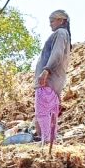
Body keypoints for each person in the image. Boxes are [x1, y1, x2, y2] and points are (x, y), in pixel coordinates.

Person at [33, 10, 71, 140]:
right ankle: (51, 142)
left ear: (61, 21)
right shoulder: (64, 34)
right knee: (50, 114)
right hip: (53, 82)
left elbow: (57, 53)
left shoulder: (60, 33)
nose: (50, 25)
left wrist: (46, 70)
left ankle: (47, 141)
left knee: (42, 113)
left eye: (52, 21)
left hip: (47, 81)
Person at [34, 74, 61, 147]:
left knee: (42, 114)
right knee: (52, 114)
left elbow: (52, 64)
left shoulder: (46, 70)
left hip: (44, 87)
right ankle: (52, 140)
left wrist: (45, 72)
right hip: (53, 87)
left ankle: (47, 141)